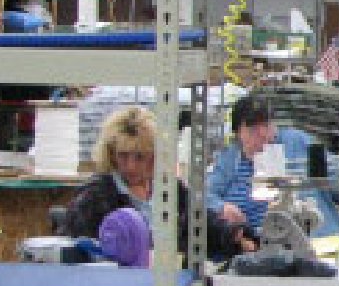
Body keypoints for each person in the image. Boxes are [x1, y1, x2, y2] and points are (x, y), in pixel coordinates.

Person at [62, 106, 255, 265]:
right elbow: (74, 249)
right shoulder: (96, 195)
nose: (130, 166)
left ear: (154, 156)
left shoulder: (169, 188)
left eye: (139, 157)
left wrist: (232, 235)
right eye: (123, 156)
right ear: (111, 154)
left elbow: (200, 221)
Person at [207, 94, 339, 240]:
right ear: (238, 133)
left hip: (312, 244)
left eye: (267, 125)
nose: (263, 135)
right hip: (254, 248)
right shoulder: (230, 159)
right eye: (253, 129)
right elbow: (203, 194)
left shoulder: (297, 143)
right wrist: (221, 207)